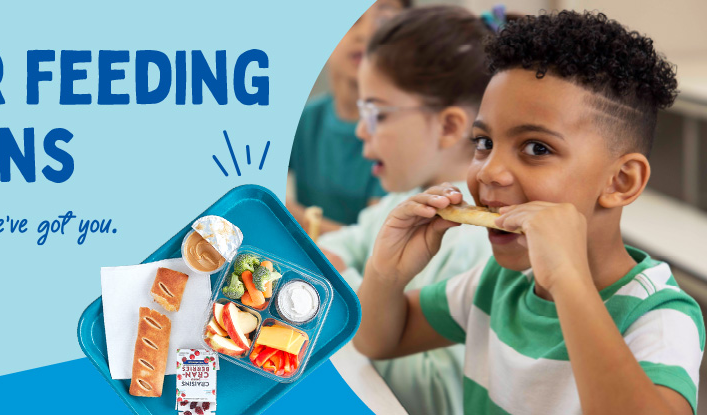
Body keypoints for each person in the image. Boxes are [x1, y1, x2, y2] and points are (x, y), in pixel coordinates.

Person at [353, 11, 704, 415]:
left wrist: (568, 281)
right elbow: (378, 340)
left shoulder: (658, 315)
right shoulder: (496, 284)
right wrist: (386, 272)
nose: (488, 171)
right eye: (483, 142)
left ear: (620, 182)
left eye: (537, 148)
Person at [319, 6, 497, 414]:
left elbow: (437, 395)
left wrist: (344, 282)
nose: (361, 130)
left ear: (450, 127)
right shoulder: (408, 199)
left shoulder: (477, 242)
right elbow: (343, 242)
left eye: (377, 113)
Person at [286, 0, 408, 235]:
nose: (366, 33)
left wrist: (292, 216)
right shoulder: (305, 119)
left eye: (384, 21)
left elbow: (374, 243)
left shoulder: (402, 134)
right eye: (350, 19)